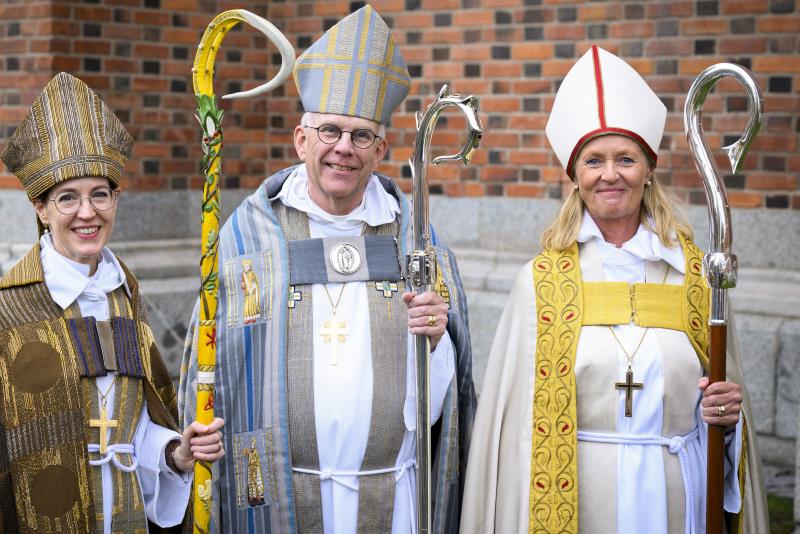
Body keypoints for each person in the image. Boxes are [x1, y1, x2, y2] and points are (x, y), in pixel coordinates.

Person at [178, 5, 475, 534]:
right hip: (275, 495)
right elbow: (212, 369)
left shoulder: (417, 241)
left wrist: (435, 341)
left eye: (361, 136)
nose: (344, 148)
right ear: (301, 141)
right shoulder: (249, 241)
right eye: (330, 131)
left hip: (394, 493)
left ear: (381, 150)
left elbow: (451, 396)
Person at [460, 46, 769, 533]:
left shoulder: (696, 276)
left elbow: (726, 412)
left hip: (674, 498)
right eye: (593, 161)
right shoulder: (542, 282)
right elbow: (516, 434)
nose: (610, 174)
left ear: (648, 171)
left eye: (625, 158)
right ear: (575, 177)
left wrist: (727, 423)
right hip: (582, 504)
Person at [0, 72, 224, 534]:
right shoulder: (10, 309)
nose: (88, 213)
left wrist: (175, 452)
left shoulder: (125, 296)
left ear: (115, 199)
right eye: (67, 199)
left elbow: (134, 424)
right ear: (41, 210)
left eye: (100, 194)